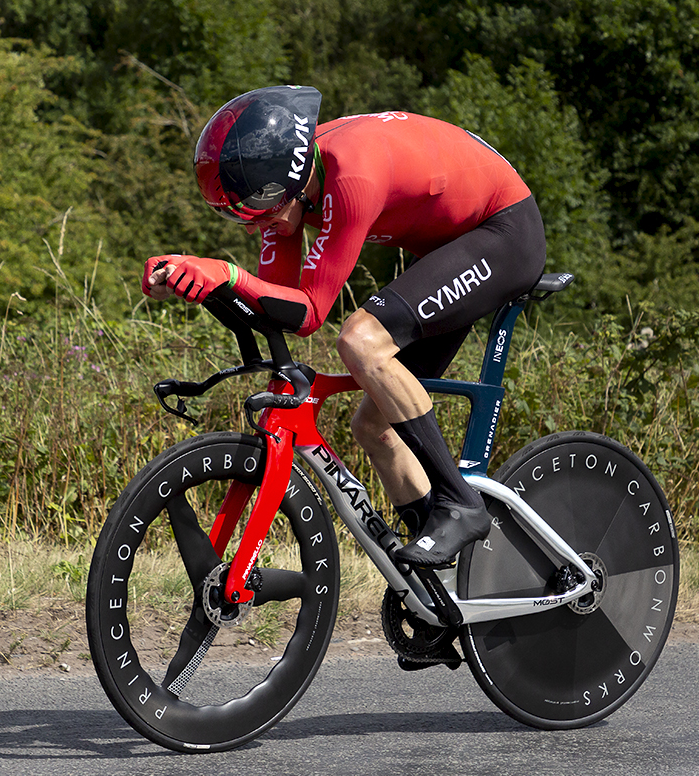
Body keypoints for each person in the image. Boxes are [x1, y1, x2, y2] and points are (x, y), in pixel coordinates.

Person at [142, 85, 546, 568]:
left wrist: (226, 273)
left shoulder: (352, 175)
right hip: (449, 244)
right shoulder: (292, 189)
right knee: (374, 424)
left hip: (503, 233)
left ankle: (460, 503)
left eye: (254, 211)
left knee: (361, 339)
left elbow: (310, 312)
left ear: (285, 184)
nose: (251, 228)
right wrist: (197, 283)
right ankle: (440, 588)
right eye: (238, 215)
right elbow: (276, 306)